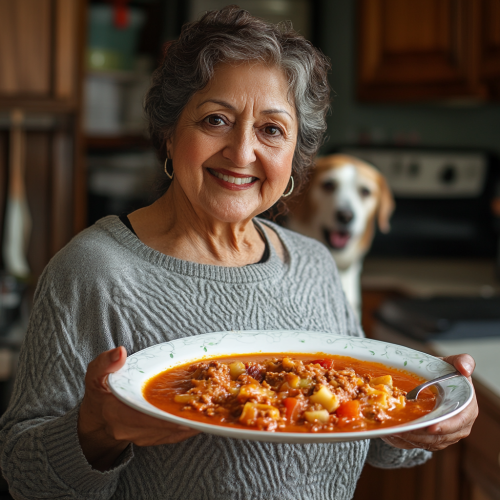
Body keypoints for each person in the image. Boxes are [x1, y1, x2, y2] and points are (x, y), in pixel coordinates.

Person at [0, 7, 477, 500]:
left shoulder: (313, 265)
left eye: (271, 130)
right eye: (215, 120)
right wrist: (97, 429)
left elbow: (369, 434)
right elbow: (25, 474)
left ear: (295, 153)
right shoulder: (93, 272)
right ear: (170, 132)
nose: (242, 152)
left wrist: (427, 416)